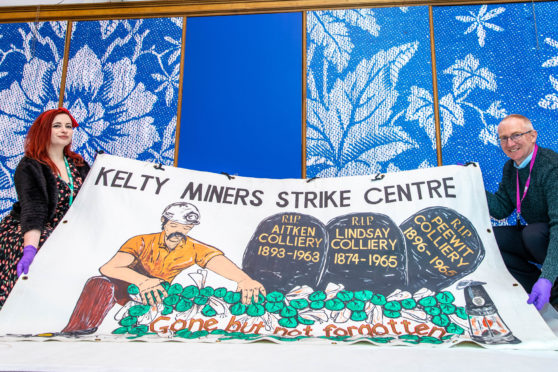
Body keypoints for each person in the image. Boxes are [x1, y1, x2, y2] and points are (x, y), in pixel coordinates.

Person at [61, 201, 266, 334]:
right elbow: (109, 268)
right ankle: (77, 331)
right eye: (174, 226)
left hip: (158, 295)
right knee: (100, 284)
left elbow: (217, 260)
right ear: (164, 221)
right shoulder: (141, 241)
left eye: (185, 228)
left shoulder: (193, 248)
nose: (179, 232)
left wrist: (244, 279)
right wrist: (142, 281)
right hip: (128, 288)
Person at [0, 108, 90, 308]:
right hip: (29, 228)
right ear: (44, 131)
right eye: (57, 126)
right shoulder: (30, 166)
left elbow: (92, 199)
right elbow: (34, 210)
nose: (64, 130)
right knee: (48, 242)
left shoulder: (79, 164)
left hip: (66, 229)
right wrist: (30, 249)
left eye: (68, 126)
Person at [486, 114, 558, 311]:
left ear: (532, 136)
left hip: (551, 236)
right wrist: (471, 183)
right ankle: (538, 289)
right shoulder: (511, 168)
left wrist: (548, 277)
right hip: (540, 237)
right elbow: (501, 209)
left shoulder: (551, 167)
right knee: (493, 239)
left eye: (516, 135)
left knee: (533, 234)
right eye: (504, 138)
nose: (510, 143)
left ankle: (551, 286)